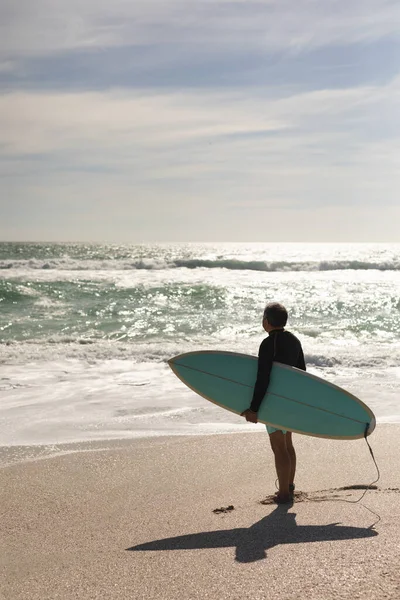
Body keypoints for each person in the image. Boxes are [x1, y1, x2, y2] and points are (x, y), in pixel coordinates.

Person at [241, 302, 306, 504]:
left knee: (279, 448)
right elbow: (303, 374)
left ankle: (284, 493)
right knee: (287, 444)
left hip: (273, 402)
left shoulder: (268, 343)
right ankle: (290, 486)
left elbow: (263, 378)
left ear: (266, 321)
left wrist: (254, 408)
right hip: (289, 400)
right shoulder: (295, 340)